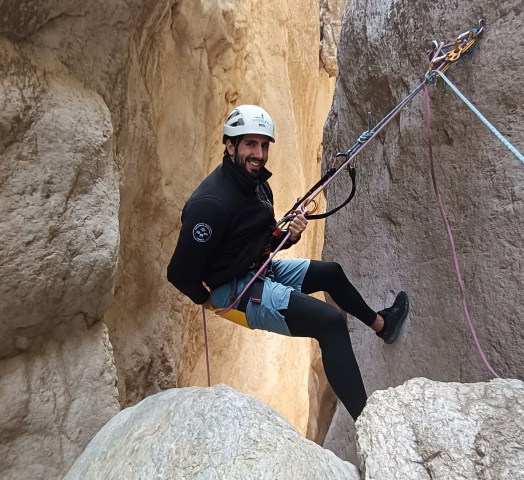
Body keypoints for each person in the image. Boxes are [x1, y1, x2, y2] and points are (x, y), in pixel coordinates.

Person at [167, 104, 409, 419]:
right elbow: (178, 273)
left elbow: (259, 240)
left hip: (256, 270)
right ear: (230, 145)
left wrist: (290, 235)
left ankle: (382, 325)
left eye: (264, 145)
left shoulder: (255, 183)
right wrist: (208, 299)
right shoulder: (211, 205)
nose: (260, 153)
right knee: (330, 323)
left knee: (331, 273)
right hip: (235, 291)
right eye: (250, 144)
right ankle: (370, 426)